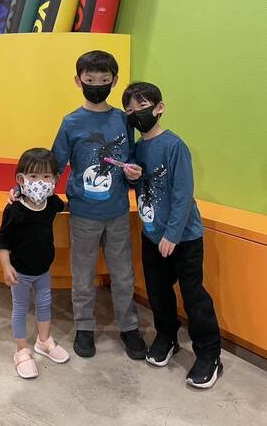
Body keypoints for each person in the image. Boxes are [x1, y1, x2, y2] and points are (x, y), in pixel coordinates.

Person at [122, 81, 222, 389]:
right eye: (130, 110)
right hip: (151, 235)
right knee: (158, 292)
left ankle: (209, 354)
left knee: (193, 296)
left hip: (183, 238)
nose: (137, 114)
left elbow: (183, 193)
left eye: (142, 107)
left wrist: (173, 235)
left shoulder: (174, 145)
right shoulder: (137, 148)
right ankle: (167, 337)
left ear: (159, 108)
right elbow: (142, 187)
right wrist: (132, 178)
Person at [52, 50, 146, 360]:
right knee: (82, 275)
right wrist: (26, 191)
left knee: (123, 275)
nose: (97, 85)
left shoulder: (123, 120)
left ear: (114, 81)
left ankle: (129, 327)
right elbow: (55, 164)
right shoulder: (71, 122)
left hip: (118, 211)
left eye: (104, 80)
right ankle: (84, 327)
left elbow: (132, 158)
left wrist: (134, 173)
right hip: (83, 213)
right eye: (90, 80)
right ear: (78, 81)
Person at [0, 147, 69, 379]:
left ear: (55, 179)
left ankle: (43, 341)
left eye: (46, 176)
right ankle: (21, 350)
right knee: (20, 308)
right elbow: (3, 241)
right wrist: (6, 266)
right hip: (20, 272)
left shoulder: (52, 202)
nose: (40, 182)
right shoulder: (14, 209)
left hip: (43, 270)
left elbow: (67, 206)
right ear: (21, 179)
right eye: (33, 176)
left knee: (45, 304)